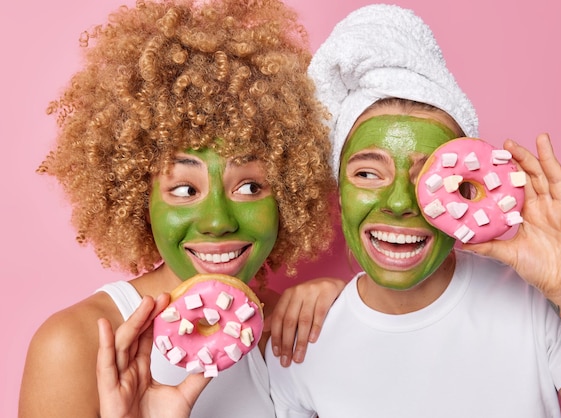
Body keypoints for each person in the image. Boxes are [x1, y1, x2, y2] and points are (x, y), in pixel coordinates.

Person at [266, 4, 561, 417]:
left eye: (429, 176)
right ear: (339, 189)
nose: (400, 202)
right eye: (368, 173)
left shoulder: (528, 302)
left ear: (467, 190)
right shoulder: (299, 342)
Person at [18, 0, 344, 417]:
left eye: (248, 186)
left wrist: (354, 307)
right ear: (139, 199)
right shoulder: (76, 345)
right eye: (185, 189)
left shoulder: (294, 332)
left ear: (286, 193)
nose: (218, 221)